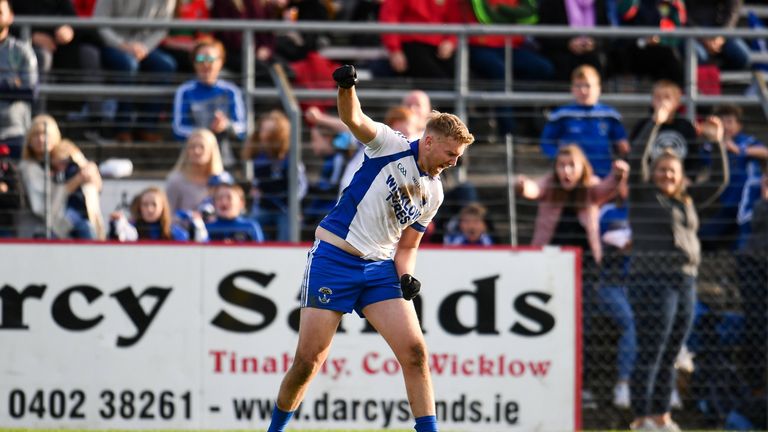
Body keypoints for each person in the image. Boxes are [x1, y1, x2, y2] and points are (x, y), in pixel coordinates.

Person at [266, 64, 475, 432]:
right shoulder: (390, 144)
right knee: (309, 361)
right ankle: (276, 430)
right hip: (334, 259)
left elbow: (407, 247)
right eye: (450, 153)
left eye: (458, 156)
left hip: (379, 269)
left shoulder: (435, 192)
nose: (453, 162)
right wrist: (346, 87)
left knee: (415, 353)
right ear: (428, 141)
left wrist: (406, 276)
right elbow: (354, 118)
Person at [626, 100, 728, 430]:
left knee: (672, 350)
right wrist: (654, 123)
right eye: (661, 169)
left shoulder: (686, 200)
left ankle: (662, 415)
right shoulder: (642, 194)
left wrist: (716, 143)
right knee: (652, 349)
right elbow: (636, 159)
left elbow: (719, 180)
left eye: (672, 170)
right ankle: (642, 417)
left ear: (681, 175)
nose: (667, 175)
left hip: (685, 279)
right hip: (652, 279)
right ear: (653, 173)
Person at [93, 0, 177, 142]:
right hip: (113, 45)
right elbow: (100, 23)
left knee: (166, 65)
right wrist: (122, 45)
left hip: (144, 48)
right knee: (129, 65)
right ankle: (122, 128)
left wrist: (144, 47)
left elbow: (162, 28)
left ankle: (147, 127)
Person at [541, 65, 630, 178]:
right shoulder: (561, 114)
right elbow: (546, 143)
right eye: (578, 86)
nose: (583, 90)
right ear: (572, 88)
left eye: (588, 85)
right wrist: (560, 159)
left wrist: (622, 150)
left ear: (598, 88)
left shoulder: (610, 115)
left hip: (602, 174)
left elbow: (622, 145)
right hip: (571, 177)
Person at [698, 105, 767, 250]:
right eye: (721, 121)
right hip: (727, 202)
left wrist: (739, 150)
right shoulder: (711, 146)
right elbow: (699, 165)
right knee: (705, 236)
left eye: (729, 121)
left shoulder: (746, 141)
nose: (725, 126)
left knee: (743, 240)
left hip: (748, 202)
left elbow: (764, 152)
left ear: (739, 125)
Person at [172, 38, 247, 168]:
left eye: (211, 59)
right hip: (194, 161)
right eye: (200, 59)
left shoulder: (231, 91)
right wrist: (204, 135)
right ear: (194, 63)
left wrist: (225, 125)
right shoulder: (185, 91)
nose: (205, 64)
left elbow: (242, 127)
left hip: (225, 162)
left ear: (220, 62)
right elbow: (178, 128)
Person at [241, 109, 307, 241]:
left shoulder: (291, 159)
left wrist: (290, 202)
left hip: (285, 209)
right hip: (264, 207)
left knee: (287, 231)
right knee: (250, 225)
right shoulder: (259, 156)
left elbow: (300, 187)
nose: (264, 135)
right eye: (263, 130)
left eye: (270, 131)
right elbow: (257, 183)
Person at [629, 80, 701, 182]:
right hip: (648, 183)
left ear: (677, 102)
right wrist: (654, 122)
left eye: (667, 97)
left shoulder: (686, 126)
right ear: (652, 101)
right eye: (658, 97)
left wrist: (689, 178)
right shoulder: (643, 125)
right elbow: (635, 153)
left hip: (678, 182)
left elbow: (694, 157)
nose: (662, 102)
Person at [379, 0, 461, 81]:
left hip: (440, 47)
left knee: (461, 78)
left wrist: (451, 42)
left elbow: (455, 20)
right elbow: (390, 17)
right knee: (440, 82)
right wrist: (395, 50)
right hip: (412, 45)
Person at [0, 0, 37, 160]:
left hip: (15, 132)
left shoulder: (22, 51)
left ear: (10, 17)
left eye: (0, 13)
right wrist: (11, 83)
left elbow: (30, 91)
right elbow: (20, 88)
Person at [166, 128, 224, 212]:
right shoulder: (176, 181)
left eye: (202, 147)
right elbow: (168, 214)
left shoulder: (222, 180)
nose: (196, 151)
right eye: (192, 147)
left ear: (211, 150)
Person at [109, 186, 196, 241]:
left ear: (163, 207)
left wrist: (196, 226)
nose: (150, 209)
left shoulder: (174, 232)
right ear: (139, 207)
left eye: (154, 204)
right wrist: (114, 227)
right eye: (145, 204)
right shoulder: (129, 229)